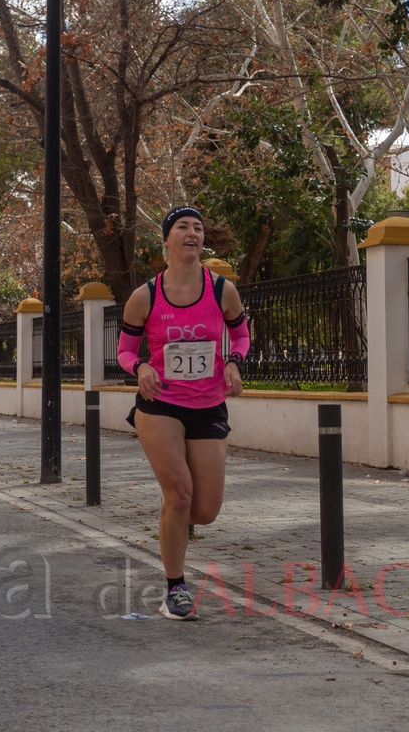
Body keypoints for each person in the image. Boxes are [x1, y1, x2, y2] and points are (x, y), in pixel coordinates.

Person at [116, 206, 249, 621]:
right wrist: (140, 367)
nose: (192, 233)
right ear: (166, 241)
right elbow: (122, 350)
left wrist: (234, 362)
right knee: (180, 493)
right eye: (182, 227)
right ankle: (175, 590)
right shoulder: (145, 297)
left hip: (209, 404)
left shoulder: (222, 289)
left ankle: (175, 514)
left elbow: (240, 334)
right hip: (161, 406)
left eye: (198, 227)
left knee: (204, 510)